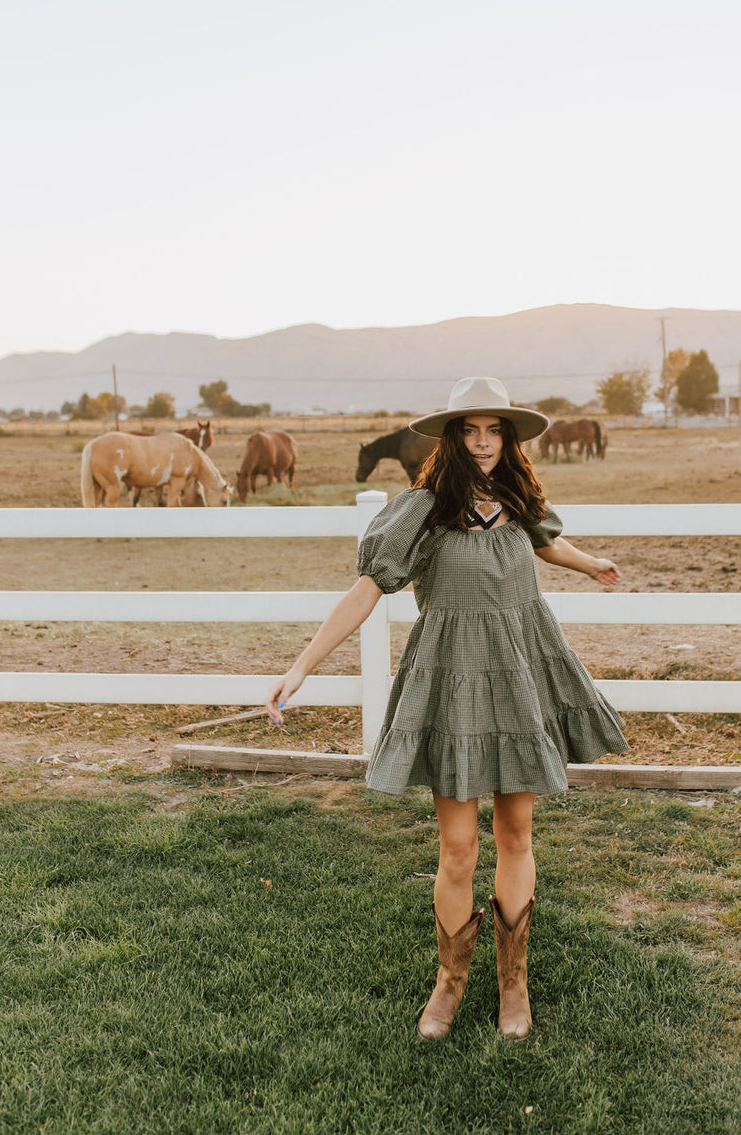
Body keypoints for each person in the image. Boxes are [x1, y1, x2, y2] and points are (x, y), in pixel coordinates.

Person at [265, 377, 628, 1041]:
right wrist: (302, 664)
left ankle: (513, 988)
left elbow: (547, 542)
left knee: (516, 835)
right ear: (452, 438)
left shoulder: (520, 499)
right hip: (453, 682)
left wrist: (590, 562)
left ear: (507, 438)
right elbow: (368, 588)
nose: (485, 442)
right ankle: (450, 984)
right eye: (472, 430)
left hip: (522, 675)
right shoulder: (424, 508)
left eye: (495, 431)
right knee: (458, 847)